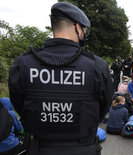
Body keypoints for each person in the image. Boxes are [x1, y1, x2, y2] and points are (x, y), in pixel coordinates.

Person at [8, 2, 113, 155]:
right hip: (83, 149)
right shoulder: (97, 66)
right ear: (77, 27)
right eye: (84, 30)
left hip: (39, 149)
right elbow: (104, 108)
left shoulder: (23, 63)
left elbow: (19, 104)